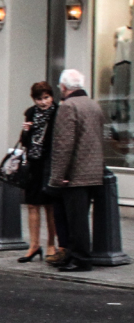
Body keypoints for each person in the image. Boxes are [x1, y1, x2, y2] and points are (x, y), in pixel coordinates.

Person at [48, 69, 107, 272]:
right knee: (81, 217)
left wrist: (57, 176)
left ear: (64, 87)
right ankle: (75, 256)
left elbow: (64, 145)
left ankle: (80, 259)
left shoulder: (68, 106)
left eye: (60, 88)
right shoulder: (93, 105)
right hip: (93, 172)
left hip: (74, 175)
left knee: (75, 220)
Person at [17, 81, 59, 263]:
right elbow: (24, 141)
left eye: (46, 97)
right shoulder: (30, 113)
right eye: (39, 99)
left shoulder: (58, 113)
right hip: (33, 164)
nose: (43, 102)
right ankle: (34, 245)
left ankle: (51, 244)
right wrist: (26, 131)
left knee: (50, 206)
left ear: (52, 96)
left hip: (50, 164)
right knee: (32, 204)